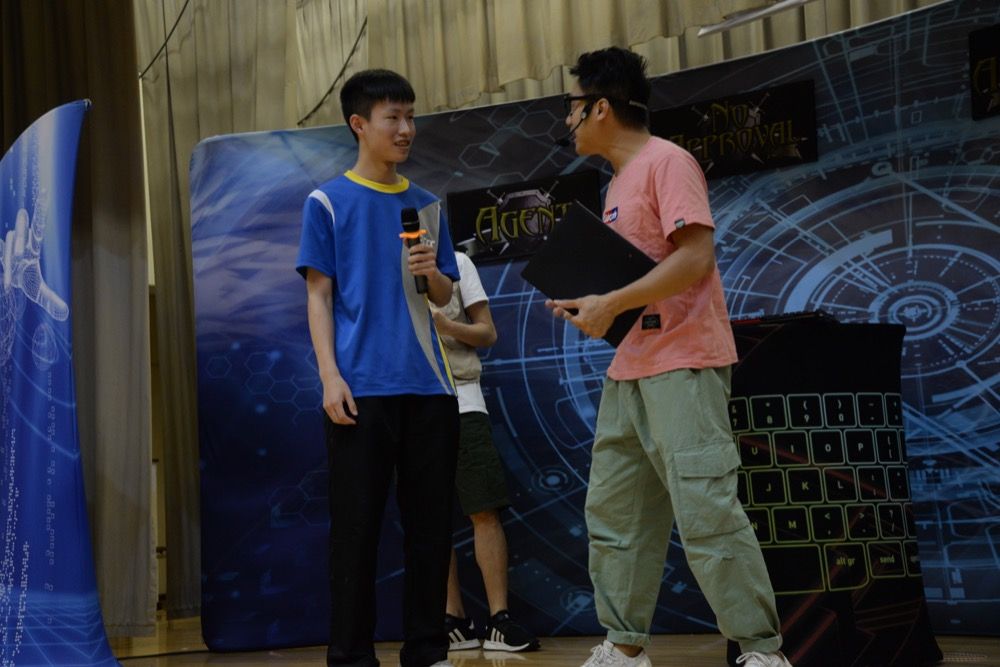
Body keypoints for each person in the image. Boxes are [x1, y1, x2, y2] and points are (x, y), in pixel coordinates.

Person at [546, 47, 792, 667]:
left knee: (707, 509)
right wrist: (592, 306)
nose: (568, 120)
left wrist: (611, 301)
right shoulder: (616, 184)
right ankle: (625, 648)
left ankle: (762, 652)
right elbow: (639, 280)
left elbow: (695, 257)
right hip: (629, 367)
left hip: (683, 362)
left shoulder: (668, 161)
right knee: (616, 516)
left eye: (573, 107)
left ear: (601, 108)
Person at [296, 68, 460, 667]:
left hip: (431, 389)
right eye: (393, 117)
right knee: (356, 533)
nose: (406, 129)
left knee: (431, 532)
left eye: (411, 116)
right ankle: (351, 657)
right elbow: (318, 296)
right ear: (359, 124)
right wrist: (329, 376)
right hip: (360, 391)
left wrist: (431, 272)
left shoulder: (427, 204)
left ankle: (428, 651)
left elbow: (444, 295)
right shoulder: (326, 202)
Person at [430, 251, 540, 654]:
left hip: (463, 399)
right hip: (411, 405)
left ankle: (499, 619)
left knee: (484, 508)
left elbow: (487, 332)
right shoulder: (381, 268)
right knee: (429, 518)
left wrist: (445, 326)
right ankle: (453, 621)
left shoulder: (457, 262)